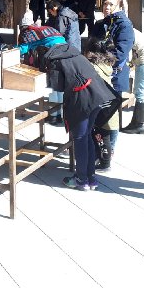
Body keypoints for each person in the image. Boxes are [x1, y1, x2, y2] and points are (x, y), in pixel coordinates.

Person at [40, 39, 116, 191]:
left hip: (81, 100)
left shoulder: (55, 60)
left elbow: (58, 87)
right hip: (97, 96)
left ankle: (81, 179)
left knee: (80, 138)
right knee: (87, 136)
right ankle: (90, 177)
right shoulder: (76, 54)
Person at [91, 0, 134, 166]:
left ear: (120, 6)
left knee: (111, 116)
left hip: (114, 75)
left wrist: (98, 59)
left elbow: (121, 52)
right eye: (105, 4)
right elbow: (91, 45)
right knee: (98, 114)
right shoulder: (101, 24)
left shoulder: (125, 25)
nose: (106, 7)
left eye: (111, 4)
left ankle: (109, 152)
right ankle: (98, 149)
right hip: (97, 74)